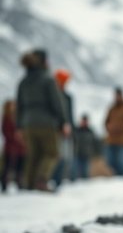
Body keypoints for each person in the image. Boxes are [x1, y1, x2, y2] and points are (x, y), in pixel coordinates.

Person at [16, 49, 69, 191]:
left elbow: (19, 105)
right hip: (46, 123)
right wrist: (63, 122)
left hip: (27, 123)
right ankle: (42, 180)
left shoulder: (23, 82)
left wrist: (19, 126)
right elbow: (56, 103)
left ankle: (29, 184)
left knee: (33, 155)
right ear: (44, 61)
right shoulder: (47, 79)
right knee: (52, 153)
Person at [51, 69, 75, 188]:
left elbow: (70, 115)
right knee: (56, 157)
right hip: (55, 131)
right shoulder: (52, 96)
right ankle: (54, 179)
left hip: (66, 132)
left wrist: (70, 129)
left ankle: (58, 181)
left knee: (65, 158)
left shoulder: (67, 97)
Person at [104, 87, 123, 176]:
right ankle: (115, 177)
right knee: (110, 161)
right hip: (111, 140)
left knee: (122, 162)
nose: (117, 97)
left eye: (119, 95)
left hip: (122, 140)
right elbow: (106, 122)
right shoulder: (111, 108)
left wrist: (122, 126)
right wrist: (109, 127)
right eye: (116, 95)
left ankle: (122, 180)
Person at [1, 100, 26, 192]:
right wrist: (14, 137)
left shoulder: (19, 118)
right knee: (7, 167)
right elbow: (5, 131)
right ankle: (4, 184)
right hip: (10, 147)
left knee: (20, 167)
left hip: (20, 148)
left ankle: (20, 183)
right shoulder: (6, 118)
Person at [72, 114, 97, 179]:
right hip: (77, 154)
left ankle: (85, 185)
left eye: (85, 121)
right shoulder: (76, 130)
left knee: (85, 172)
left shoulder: (90, 131)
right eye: (83, 121)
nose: (84, 122)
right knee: (75, 172)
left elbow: (94, 143)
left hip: (86, 154)